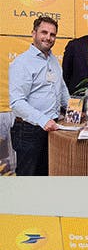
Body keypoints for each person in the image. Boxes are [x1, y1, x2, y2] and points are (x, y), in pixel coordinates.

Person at [9, 16, 69, 175]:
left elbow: (61, 88)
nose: (48, 38)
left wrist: (74, 109)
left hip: (52, 128)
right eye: (44, 32)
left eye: (53, 34)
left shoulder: (54, 60)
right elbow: (16, 102)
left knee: (46, 173)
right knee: (28, 177)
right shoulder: (22, 63)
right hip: (29, 130)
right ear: (33, 33)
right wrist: (43, 120)